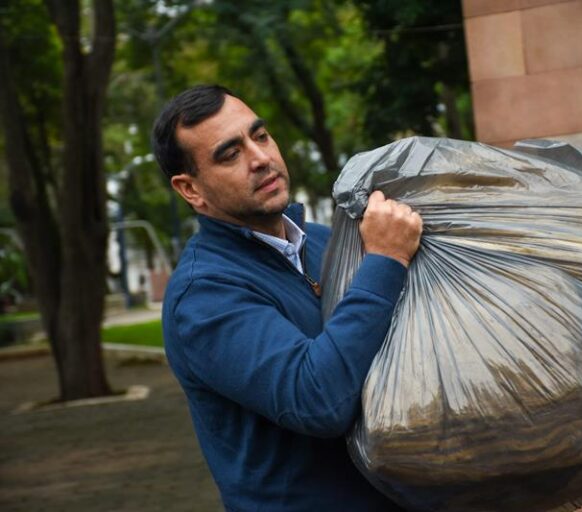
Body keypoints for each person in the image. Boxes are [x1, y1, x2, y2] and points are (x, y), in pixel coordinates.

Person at [151, 84, 422, 511]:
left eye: (260, 136)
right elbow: (318, 399)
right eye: (230, 154)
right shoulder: (202, 295)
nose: (260, 158)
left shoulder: (325, 242)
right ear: (191, 190)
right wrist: (386, 260)